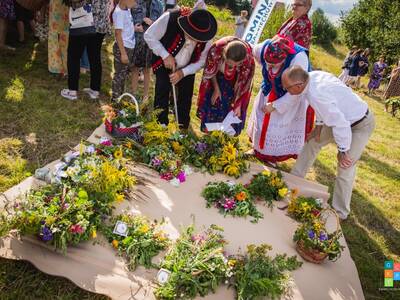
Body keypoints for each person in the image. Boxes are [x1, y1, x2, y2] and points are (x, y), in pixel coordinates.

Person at [281, 66, 375, 220]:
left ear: (299, 84)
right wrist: (318, 127)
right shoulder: (311, 78)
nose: (286, 90)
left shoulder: (316, 93)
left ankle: (340, 212)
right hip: (341, 118)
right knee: (312, 142)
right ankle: (294, 179)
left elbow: (340, 124)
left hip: (360, 124)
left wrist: (342, 150)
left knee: (345, 165)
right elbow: (327, 107)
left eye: (287, 87)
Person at [144, 8, 217, 129]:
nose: (195, 39)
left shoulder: (207, 34)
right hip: (164, 60)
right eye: (192, 35)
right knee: (162, 91)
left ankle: (182, 129)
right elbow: (149, 36)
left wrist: (183, 73)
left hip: (188, 66)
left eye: (197, 37)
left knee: (185, 96)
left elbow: (202, 60)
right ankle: (160, 128)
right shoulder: (170, 18)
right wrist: (165, 55)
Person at [247, 35, 312, 165]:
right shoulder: (265, 46)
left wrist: (276, 105)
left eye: (274, 65)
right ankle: (257, 149)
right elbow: (251, 49)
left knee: (278, 127)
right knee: (261, 119)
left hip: (289, 95)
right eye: (268, 63)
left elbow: (298, 91)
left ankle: (272, 157)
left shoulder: (298, 58)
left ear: (284, 59)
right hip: (269, 90)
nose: (270, 67)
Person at [197, 37, 255, 135]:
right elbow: (211, 71)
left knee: (232, 109)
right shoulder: (216, 50)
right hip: (218, 78)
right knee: (214, 102)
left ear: (241, 62)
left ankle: (225, 137)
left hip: (236, 83)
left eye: (235, 65)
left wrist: (238, 103)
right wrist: (216, 88)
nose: (232, 66)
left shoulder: (247, 62)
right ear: (223, 54)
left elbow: (244, 84)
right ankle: (210, 133)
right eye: (229, 63)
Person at [61, 0, 112, 100]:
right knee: (94, 56)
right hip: (100, 22)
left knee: (73, 56)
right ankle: (94, 90)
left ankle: (72, 91)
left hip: (84, 21)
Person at [130, 0, 163, 102]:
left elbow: (161, 25)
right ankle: (133, 96)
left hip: (150, 42)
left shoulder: (158, 4)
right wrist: (134, 27)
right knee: (134, 68)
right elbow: (128, 19)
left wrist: (152, 23)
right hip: (136, 39)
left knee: (147, 70)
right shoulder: (134, 2)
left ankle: (145, 96)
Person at [111, 0, 141, 101]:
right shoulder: (119, 13)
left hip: (128, 47)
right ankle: (115, 100)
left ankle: (120, 97)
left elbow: (125, 27)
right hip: (123, 48)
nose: (136, 2)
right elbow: (118, 34)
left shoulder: (126, 9)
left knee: (124, 74)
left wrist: (134, 29)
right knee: (119, 75)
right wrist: (123, 54)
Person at [48, 0, 69, 75]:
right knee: (57, 37)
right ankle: (57, 66)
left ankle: (60, 66)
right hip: (58, 10)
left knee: (63, 37)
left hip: (63, 9)